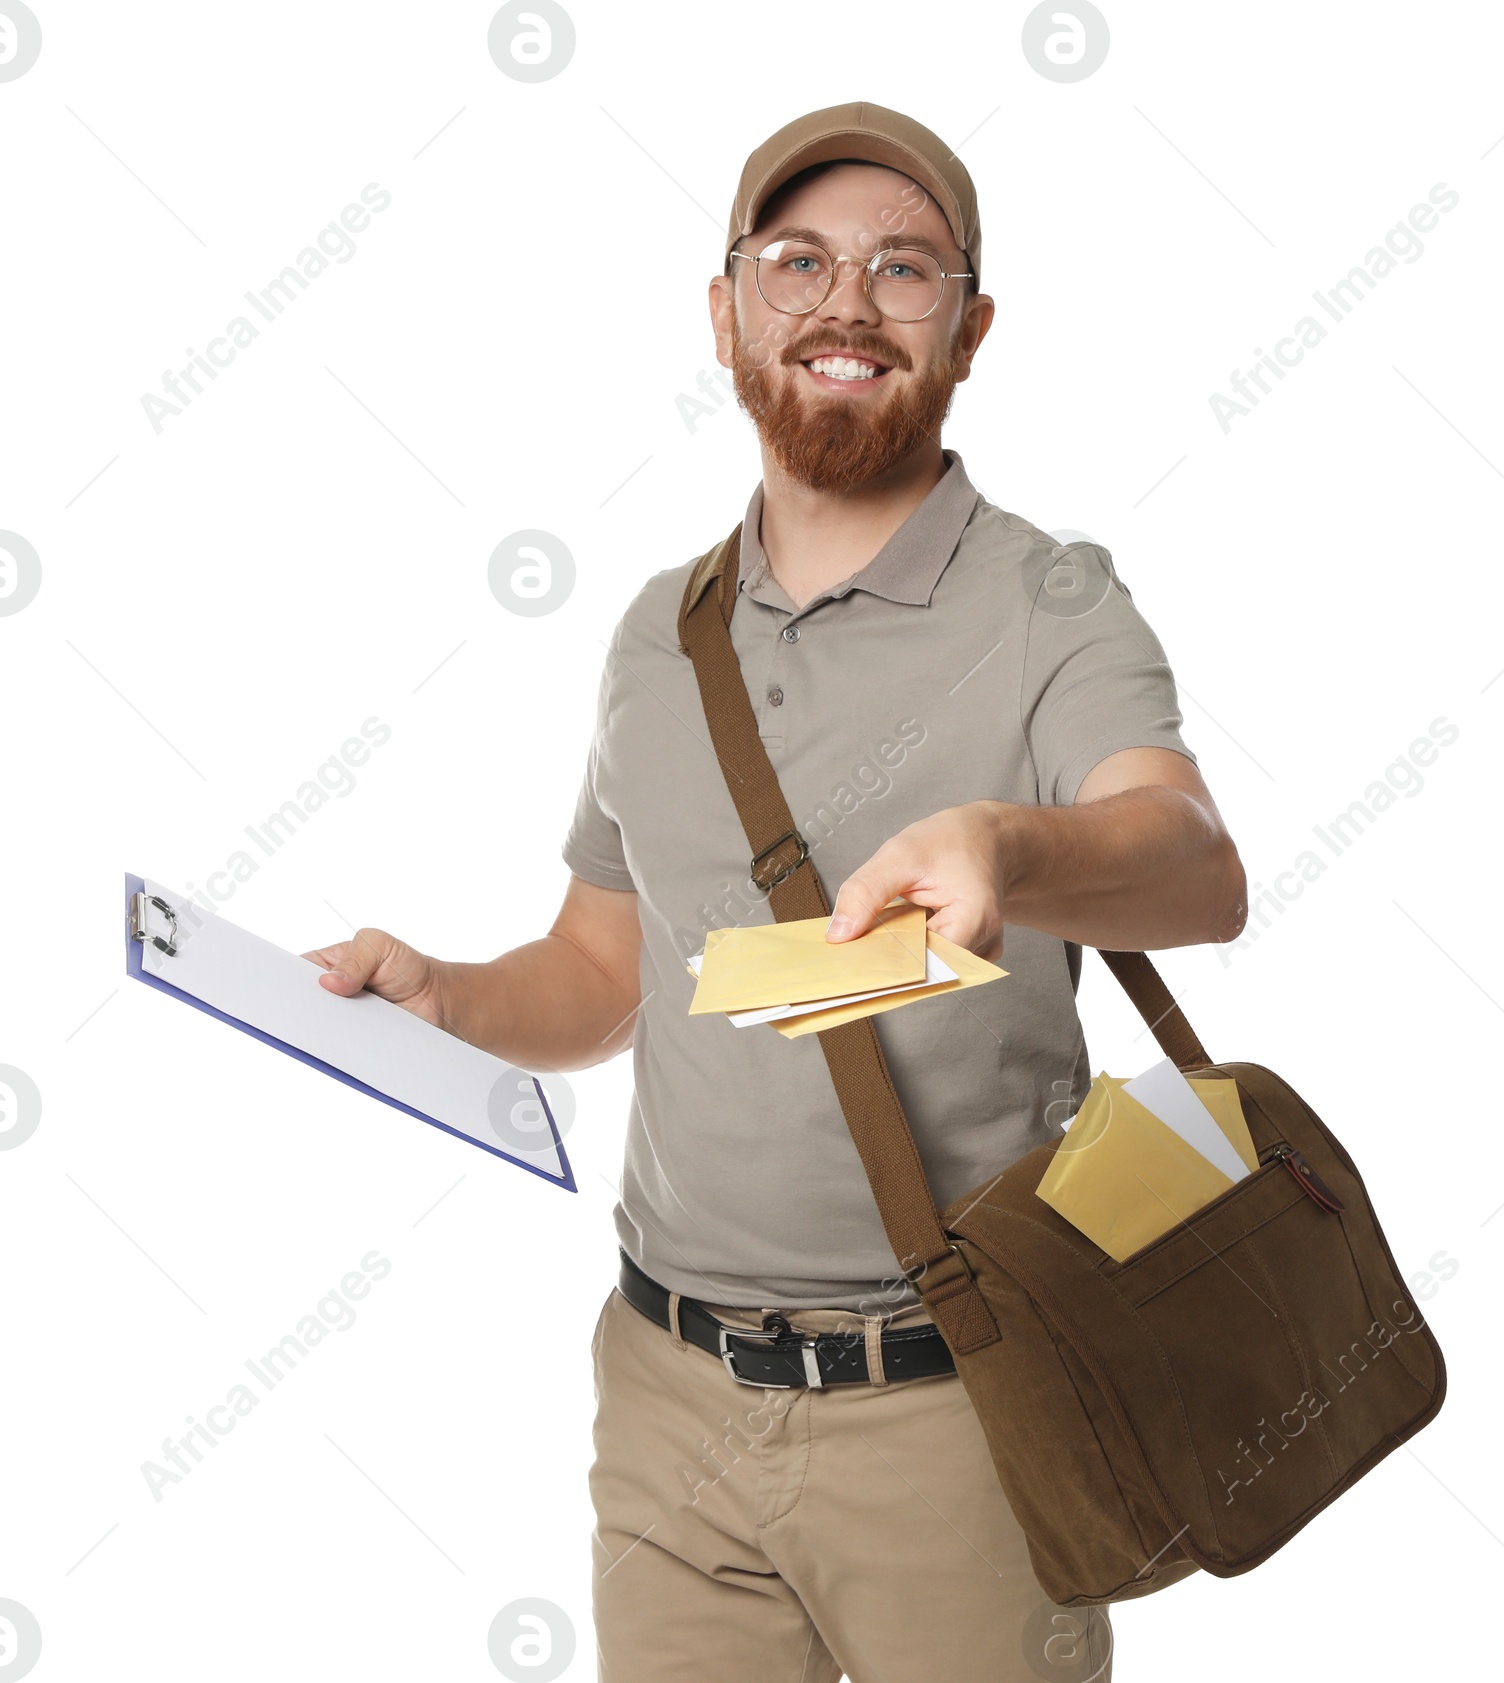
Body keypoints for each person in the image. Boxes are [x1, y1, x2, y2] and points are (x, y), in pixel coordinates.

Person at [307, 101, 1246, 1683]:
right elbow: (606, 968)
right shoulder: (655, 639)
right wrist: (446, 996)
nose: (845, 302)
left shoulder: (1050, 598)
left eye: (905, 269)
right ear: (728, 311)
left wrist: (1011, 848)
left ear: (970, 328)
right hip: (666, 1403)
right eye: (797, 260)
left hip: (960, 1407)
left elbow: (1194, 868)